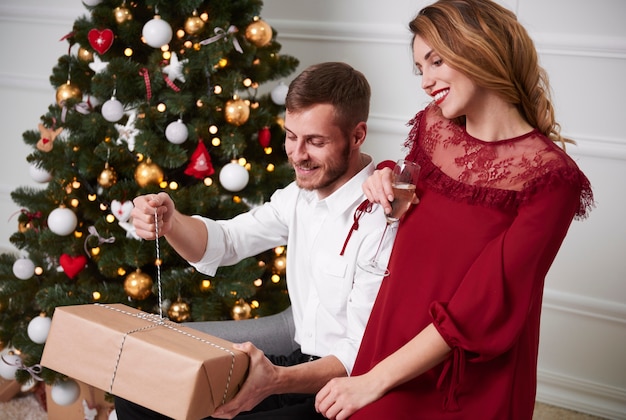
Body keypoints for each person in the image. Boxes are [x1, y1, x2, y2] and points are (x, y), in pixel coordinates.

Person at [314, 1, 594, 419]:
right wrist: (386, 174)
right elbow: (419, 194)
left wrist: (374, 381)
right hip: (391, 332)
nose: (425, 81)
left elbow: (483, 304)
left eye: (436, 61)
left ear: (479, 49)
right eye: (419, 68)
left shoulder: (552, 178)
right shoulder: (434, 129)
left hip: (465, 373)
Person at [114, 62, 394, 419]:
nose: (297, 154)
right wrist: (172, 222)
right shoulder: (300, 195)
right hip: (295, 364)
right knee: (138, 388)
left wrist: (274, 380)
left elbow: (359, 353)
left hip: (338, 389)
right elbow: (228, 241)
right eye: (291, 136)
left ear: (357, 136)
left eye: (315, 141)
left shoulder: (382, 218)